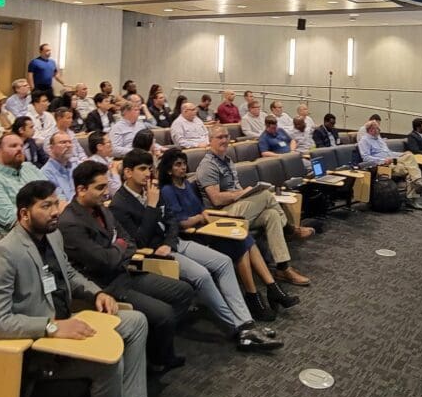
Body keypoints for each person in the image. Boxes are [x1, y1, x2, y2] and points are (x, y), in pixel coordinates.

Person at [0, 180, 161, 397]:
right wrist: (51, 327)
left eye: (56, 203)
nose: (55, 211)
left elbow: (70, 275)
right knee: (107, 363)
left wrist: (96, 292)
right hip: (39, 348)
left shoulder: (52, 236)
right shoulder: (3, 254)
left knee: (136, 322)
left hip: (69, 321)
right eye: (46, 206)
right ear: (24, 214)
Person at [110, 149, 284, 351]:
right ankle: (240, 329)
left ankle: (246, 322)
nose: (148, 173)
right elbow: (138, 241)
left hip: (173, 244)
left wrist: (170, 241)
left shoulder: (152, 189)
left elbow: (172, 221)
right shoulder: (119, 204)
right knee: (202, 275)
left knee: (224, 262)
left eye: (150, 168)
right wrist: (151, 206)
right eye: (142, 169)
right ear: (128, 172)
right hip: (153, 253)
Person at [59, 161, 193, 369]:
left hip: (125, 272)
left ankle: (153, 348)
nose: (106, 192)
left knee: (183, 291)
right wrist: (119, 248)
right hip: (106, 285)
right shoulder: (70, 222)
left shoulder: (102, 209)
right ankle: (157, 360)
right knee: (164, 314)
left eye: (106, 186)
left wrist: (118, 248)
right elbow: (103, 260)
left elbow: (129, 240)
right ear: (81, 190)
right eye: (100, 187)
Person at [159, 149, 299, 321]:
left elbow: (202, 209)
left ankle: (269, 289)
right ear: (168, 170)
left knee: (244, 237)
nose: (182, 167)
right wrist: (200, 218)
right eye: (177, 165)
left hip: (208, 228)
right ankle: (258, 295)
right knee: (241, 242)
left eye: (183, 163)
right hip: (194, 237)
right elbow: (180, 222)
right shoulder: (167, 190)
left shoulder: (186, 185)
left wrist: (207, 217)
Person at [195, 125, 312, 286]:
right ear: (210, 141)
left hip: (236, 207)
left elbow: (234, 191)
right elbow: (216, 200)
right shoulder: (208, 165)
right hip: (218, 215)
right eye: (219, 137)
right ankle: (290, 229)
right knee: (265, 195)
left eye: (226, 136)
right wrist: (242, 194)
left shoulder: (227, 161)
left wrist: (244, 193)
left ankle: (283, 268)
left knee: (271, 215)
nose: (224, 140)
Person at [0, 134, 46, 234]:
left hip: (47, 225)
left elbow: (53, 195)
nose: (20, 149)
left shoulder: (28, 167)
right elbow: (14, 220)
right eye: (13, 146)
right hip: (19, 238)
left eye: (21, 145)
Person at [358, 122, 422, 210]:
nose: (380, 130)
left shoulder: (379, 139)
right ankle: (414, 192)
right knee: (411, 171)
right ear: (371, 130)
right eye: (377, 128)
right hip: (382, 165)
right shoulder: (364, 141)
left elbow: (389, 153)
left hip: (392, 161)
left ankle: (416, 183)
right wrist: (383, 160)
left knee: (409, 156)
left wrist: (401, 154)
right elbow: (366, 158)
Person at [42, 132, 77, 202]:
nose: (68, 145)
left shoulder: (75, 167)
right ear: (51, 148)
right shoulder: (45, 174)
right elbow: (59, 201)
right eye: (63, 142)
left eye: (70, 142)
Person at [88, 132, 122, 197]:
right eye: (109, 142)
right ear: (99, 147)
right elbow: (116, 192)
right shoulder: (96, 166)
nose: (111, 145)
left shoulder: (105, 159)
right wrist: (114, 172)